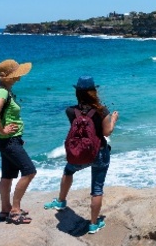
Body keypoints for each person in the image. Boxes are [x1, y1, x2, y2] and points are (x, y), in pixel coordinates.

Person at [44, 76, 119, 234]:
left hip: (80, 153)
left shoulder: (71, 111)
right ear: (94, 91)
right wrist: (113, 119)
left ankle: (61, 201)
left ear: (77, 92)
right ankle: (93, 224)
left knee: (68, 171)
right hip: (99, 152)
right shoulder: (102, 110)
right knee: (97, 188)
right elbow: (106, 132)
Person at [0, 59, 36, 224]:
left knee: (7, 175)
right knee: (29, 171)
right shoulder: (2, 93)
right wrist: (2, 130)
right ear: (7, 77)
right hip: (7, 140)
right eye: (16, 75)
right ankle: (15, 210)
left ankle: (5, 209)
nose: (19, 78)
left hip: (2, 140)